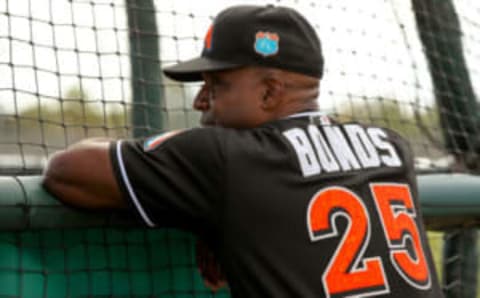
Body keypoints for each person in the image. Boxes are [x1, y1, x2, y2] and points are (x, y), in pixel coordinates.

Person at [43, 4, 444, 298]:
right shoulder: (391, 147)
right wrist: (222, 217)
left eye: (216, 85)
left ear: (270, 92)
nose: (201, 101)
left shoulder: (228, 159)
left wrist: (211, 199)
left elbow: (66, 170)